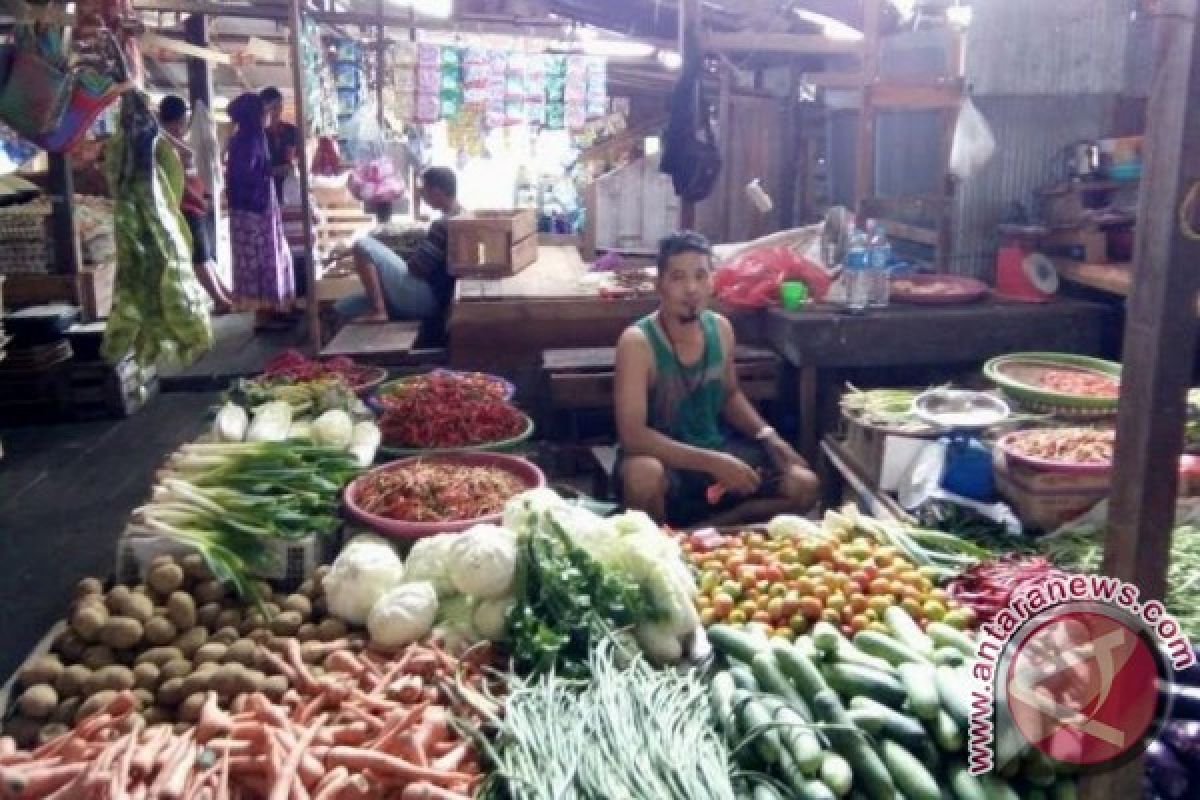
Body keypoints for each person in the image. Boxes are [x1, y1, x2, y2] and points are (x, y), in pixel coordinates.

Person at [614, 230, 820, 527]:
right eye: (678, 278)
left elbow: (730, 395)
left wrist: (770, 437)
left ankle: (710, 530)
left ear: (713, 281)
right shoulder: (638, 342)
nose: (691, 289)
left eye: (700, 276)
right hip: (668, 463)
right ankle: (671, 544)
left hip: (715, 450)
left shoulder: (721, 329)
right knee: (643, 476)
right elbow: (633, 437)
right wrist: (714, 463)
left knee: (804, 484)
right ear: (659, 285)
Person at [336, 167, 462, 333]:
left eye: (424, 191)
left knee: (362, 246)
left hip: (428, 297)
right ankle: (375, 309)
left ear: (437, 192)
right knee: (345, 306)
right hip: (440, 296)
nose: (422, 196)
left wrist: (385, 268)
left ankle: (379, 311)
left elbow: (417, 269)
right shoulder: (461, 216)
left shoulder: (442, 225)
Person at [224, 92, 295, 328]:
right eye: (265, 112)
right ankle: (263, 315)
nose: (269, 116)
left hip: (256, 206)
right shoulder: (248, 140)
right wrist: (272, 172)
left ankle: (273, 308)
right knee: (260, 261)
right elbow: (246, 175)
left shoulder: (249, 137)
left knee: (270, 257)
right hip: (252, 210)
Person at [157, 95, 232, 313]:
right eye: (182, 121)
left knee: (204, 254)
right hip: (183, 205)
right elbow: (187, 157)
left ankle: (224, 293)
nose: (183, 126)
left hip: (193, 202)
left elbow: (189, 161)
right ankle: (220, 299)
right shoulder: (162, 142)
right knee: (199, 257)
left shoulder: (170, 140)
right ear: (178, 119)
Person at [260, 87, 299, 200]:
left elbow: (298, 159)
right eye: (272, 108)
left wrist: (292, 165)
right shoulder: (256, 135)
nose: (275, 112)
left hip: (288, 188)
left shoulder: (291, 131)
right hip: (263, 192)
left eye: (278, 107)